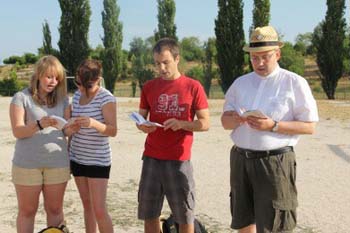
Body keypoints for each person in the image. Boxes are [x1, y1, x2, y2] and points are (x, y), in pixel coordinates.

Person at [221, 25, 319, 233]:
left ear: (278, 54)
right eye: (254, 57)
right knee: (243, 218)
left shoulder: (294, 83)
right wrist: (236, 119)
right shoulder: (240, 83)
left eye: (265, 56)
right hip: (240, 159)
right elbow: (224, 122)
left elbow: (310, 126)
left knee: (276, 224)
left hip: (275, 162)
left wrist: (273, 125)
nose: (260, 63)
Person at [135, 37, 210, 233]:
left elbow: (205, 123)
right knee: (149, 214)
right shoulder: (149, 87)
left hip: (179, 160)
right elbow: (140, 118)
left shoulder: (193, 86)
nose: (161, 68)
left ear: (177, 59)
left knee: (184, 215)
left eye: (165, 62)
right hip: (151, 158)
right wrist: (143, 126)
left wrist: (182, 124)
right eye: (157, 63)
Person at [9, 55, 71, 233]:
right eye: (49, 76)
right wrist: (38, 125)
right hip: (27, 164)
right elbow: (17, 131)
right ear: (38, 75)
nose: (53, 81)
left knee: (55, 210)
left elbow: (65, 129)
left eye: (57, 78)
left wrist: (70, 129)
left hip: (57, 163)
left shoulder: (63, 99)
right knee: (27, 211)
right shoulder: (21, 97)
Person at [68, 59, 117, 233]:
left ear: (98, 80)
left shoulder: (106, 97)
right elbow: (70, 130)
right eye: (78, 83)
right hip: (77, 157)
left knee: (99, 210)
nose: (81, 88)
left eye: (86, 85)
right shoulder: (76, 96)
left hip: (97, 160)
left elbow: (112, 130)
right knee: (87, 206)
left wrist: (92, 123)